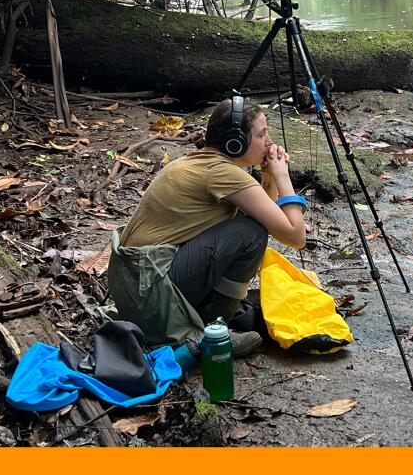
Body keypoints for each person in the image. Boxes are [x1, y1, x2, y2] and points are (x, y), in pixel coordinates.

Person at [106, 96, 306, 359]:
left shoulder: (203, 162)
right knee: (250, 235)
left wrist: (267, 176)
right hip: (150, 296)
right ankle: (213, 333)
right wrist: (282, 176)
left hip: (137, 287)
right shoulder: (223, 174)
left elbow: (263, 215)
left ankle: (210, 317)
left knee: (250, 228)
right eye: (261, 134)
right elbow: (295, 235)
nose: (269, 141)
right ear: (236, 142)